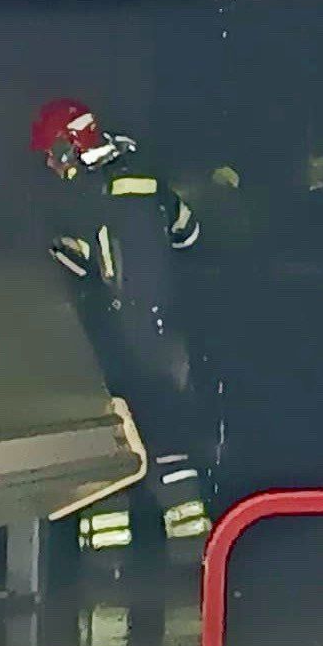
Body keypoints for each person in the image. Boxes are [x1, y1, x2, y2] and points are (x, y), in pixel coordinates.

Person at [31, 100, 213, 559]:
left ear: (69, 147)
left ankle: (107, 561)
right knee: (170, 441)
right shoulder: (148, 178)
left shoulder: (80, 197)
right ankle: (193, 554)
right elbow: (190, 236)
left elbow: (68, 266)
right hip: (167, 333)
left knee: (113, 441)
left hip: (114, 338)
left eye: (53, 156)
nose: (51, 166)